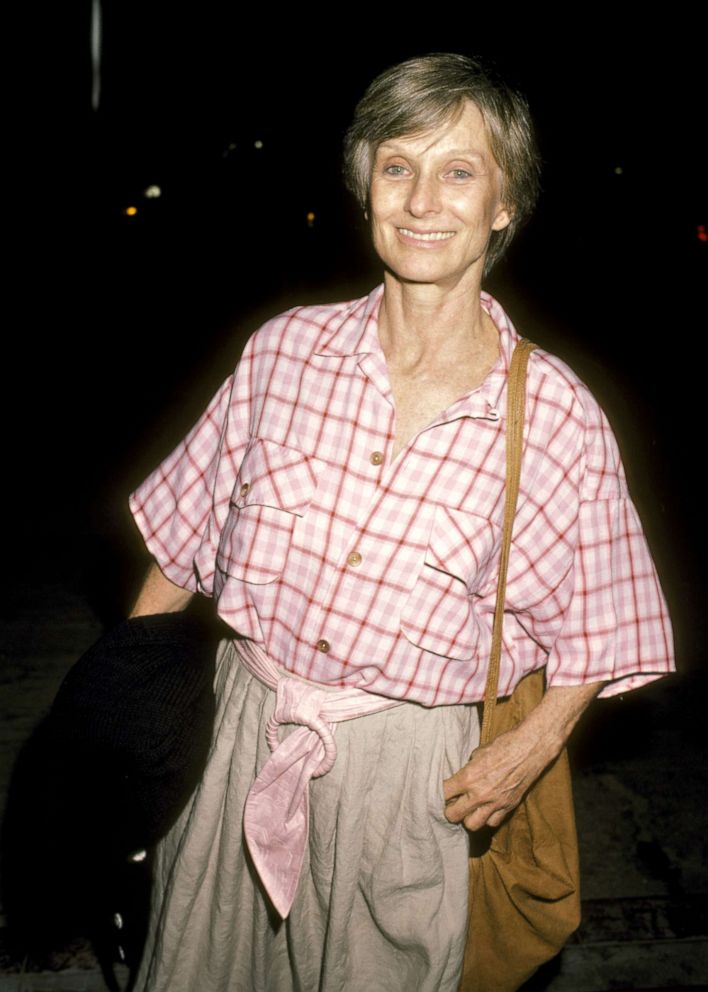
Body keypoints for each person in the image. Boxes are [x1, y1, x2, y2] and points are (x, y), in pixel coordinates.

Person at [128, 54, 674, 992]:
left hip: (411, 774)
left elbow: (606, 624)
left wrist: (530, 750)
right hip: (235, 733)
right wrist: (122, 724)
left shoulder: (552, 413)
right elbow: (180, 541)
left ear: (505, 205)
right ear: (365, 183)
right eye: (397, 166)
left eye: (459, 171)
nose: (422, 200)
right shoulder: (284, 352)